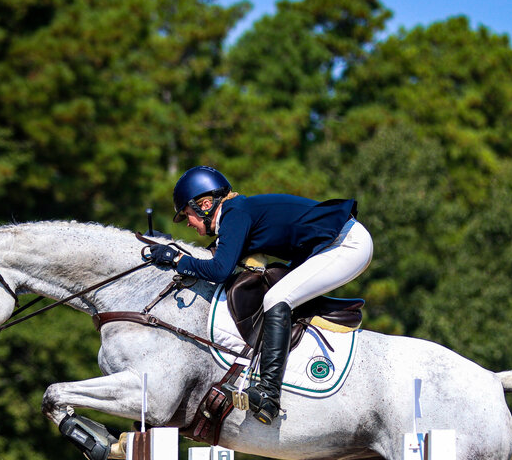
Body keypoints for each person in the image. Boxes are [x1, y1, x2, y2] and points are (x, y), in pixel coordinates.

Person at [146, 166, 373, 424]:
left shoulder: (234, 214)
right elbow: (213, 258)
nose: (188, 222)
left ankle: (269, 393)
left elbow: (219, 271)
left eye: (187, 214)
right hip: (336, 243)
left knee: (277, 298)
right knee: (280, 294)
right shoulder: (236, 215)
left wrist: (176, 259)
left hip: (347, 244)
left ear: (206, 204)